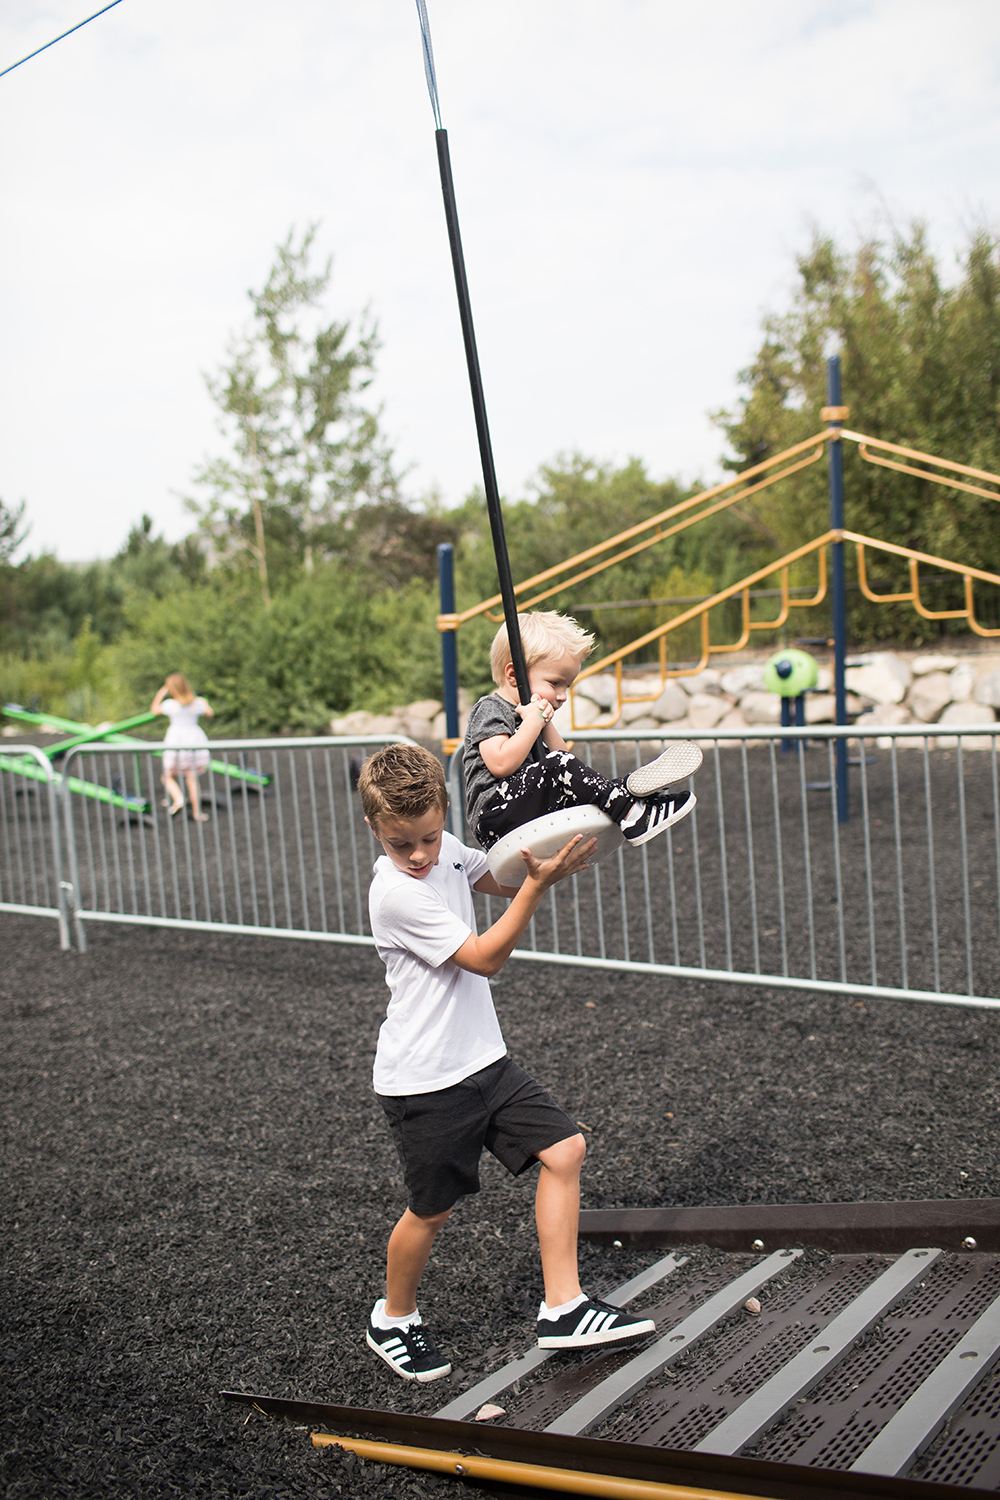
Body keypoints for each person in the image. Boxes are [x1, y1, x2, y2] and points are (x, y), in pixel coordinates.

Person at [357, 742, 657, 1383]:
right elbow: (485, 957)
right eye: (400, 844)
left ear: (444, 814)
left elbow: (499, 879)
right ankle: (393, 1318)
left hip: (483, 1060)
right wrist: (539, 886)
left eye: (429, 837)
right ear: (374, 829)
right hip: (426, 1080)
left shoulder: (444, 853)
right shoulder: (395, 895)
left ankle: (564, 1306)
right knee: (432, 1209)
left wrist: (557, 855)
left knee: (565, 1149)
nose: (419, 855)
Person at [464, 610, 701, 852]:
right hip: (494, 817)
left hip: (525, 808)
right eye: (555, 683)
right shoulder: (491, 708)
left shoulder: (532, 716)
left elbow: (565, 759)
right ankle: (630, 813)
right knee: (562, 769)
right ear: (514, 675)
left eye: (567, 685)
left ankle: (629, 793)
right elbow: (501, 764)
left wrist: (544, 723)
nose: (562, 696)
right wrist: (533, 722)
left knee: (586, 782)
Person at [151, 673, 213, 822]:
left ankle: (179, 799)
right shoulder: (197, 703)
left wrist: (161, 693)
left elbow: (154, 710)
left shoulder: (170, 704)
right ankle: (197, 813)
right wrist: (205, 703)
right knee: (192, 778)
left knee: (167, 776)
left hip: (176, 741)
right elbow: (210, 713)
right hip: (194, 740)